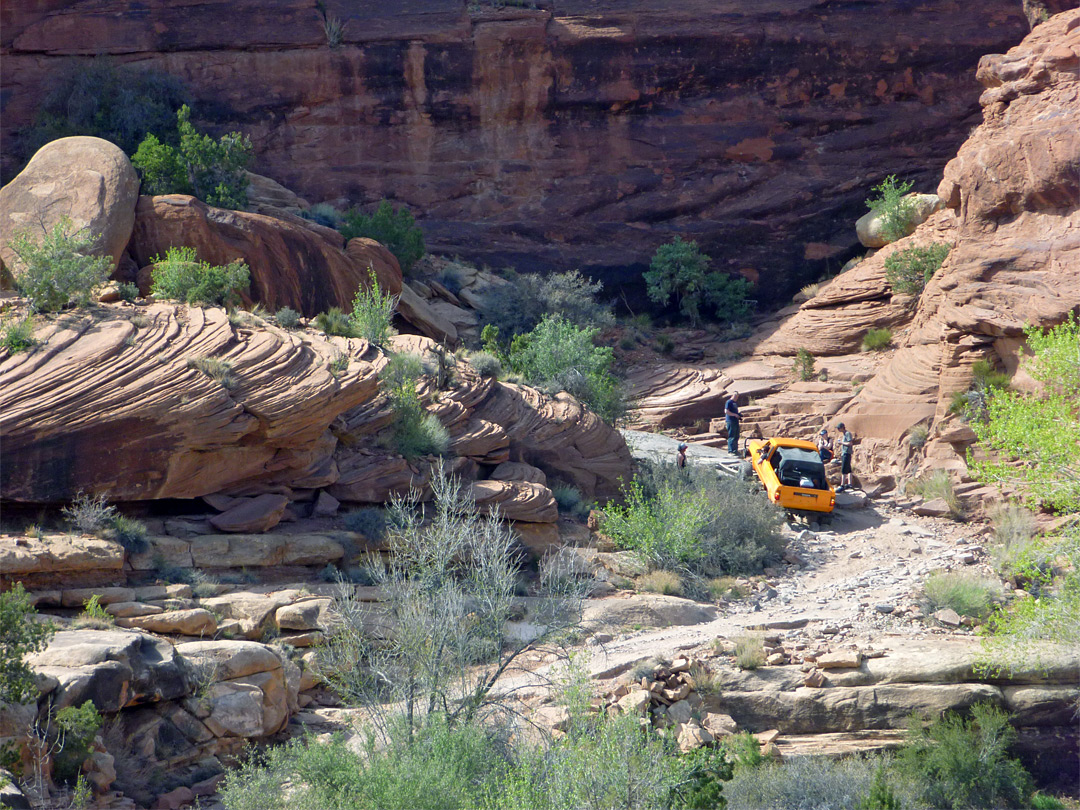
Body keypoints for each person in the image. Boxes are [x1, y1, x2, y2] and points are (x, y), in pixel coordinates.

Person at [836, 422, 854, 490]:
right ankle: (850, 484)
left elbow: (850, 443)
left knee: (843, 469)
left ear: (842, 428)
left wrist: (841, 443)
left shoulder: (847, 433)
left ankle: (842, 485)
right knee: (849, 469)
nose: (838, 429)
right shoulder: (844, 434)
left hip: (847, 453)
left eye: (839, 428)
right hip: (845, 453)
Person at [725, 390, 741, 456]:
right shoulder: (729, 402)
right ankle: (730, 451)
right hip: (730, 421)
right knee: (731, 436)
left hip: (735, 421)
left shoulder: (735, 403)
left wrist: (738, 415)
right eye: (736, 396)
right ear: (733, 395)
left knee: (736, 436)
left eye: (737, 397)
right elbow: (726, 411)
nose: (736, 398)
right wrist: (734, 415)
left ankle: (735, 450)